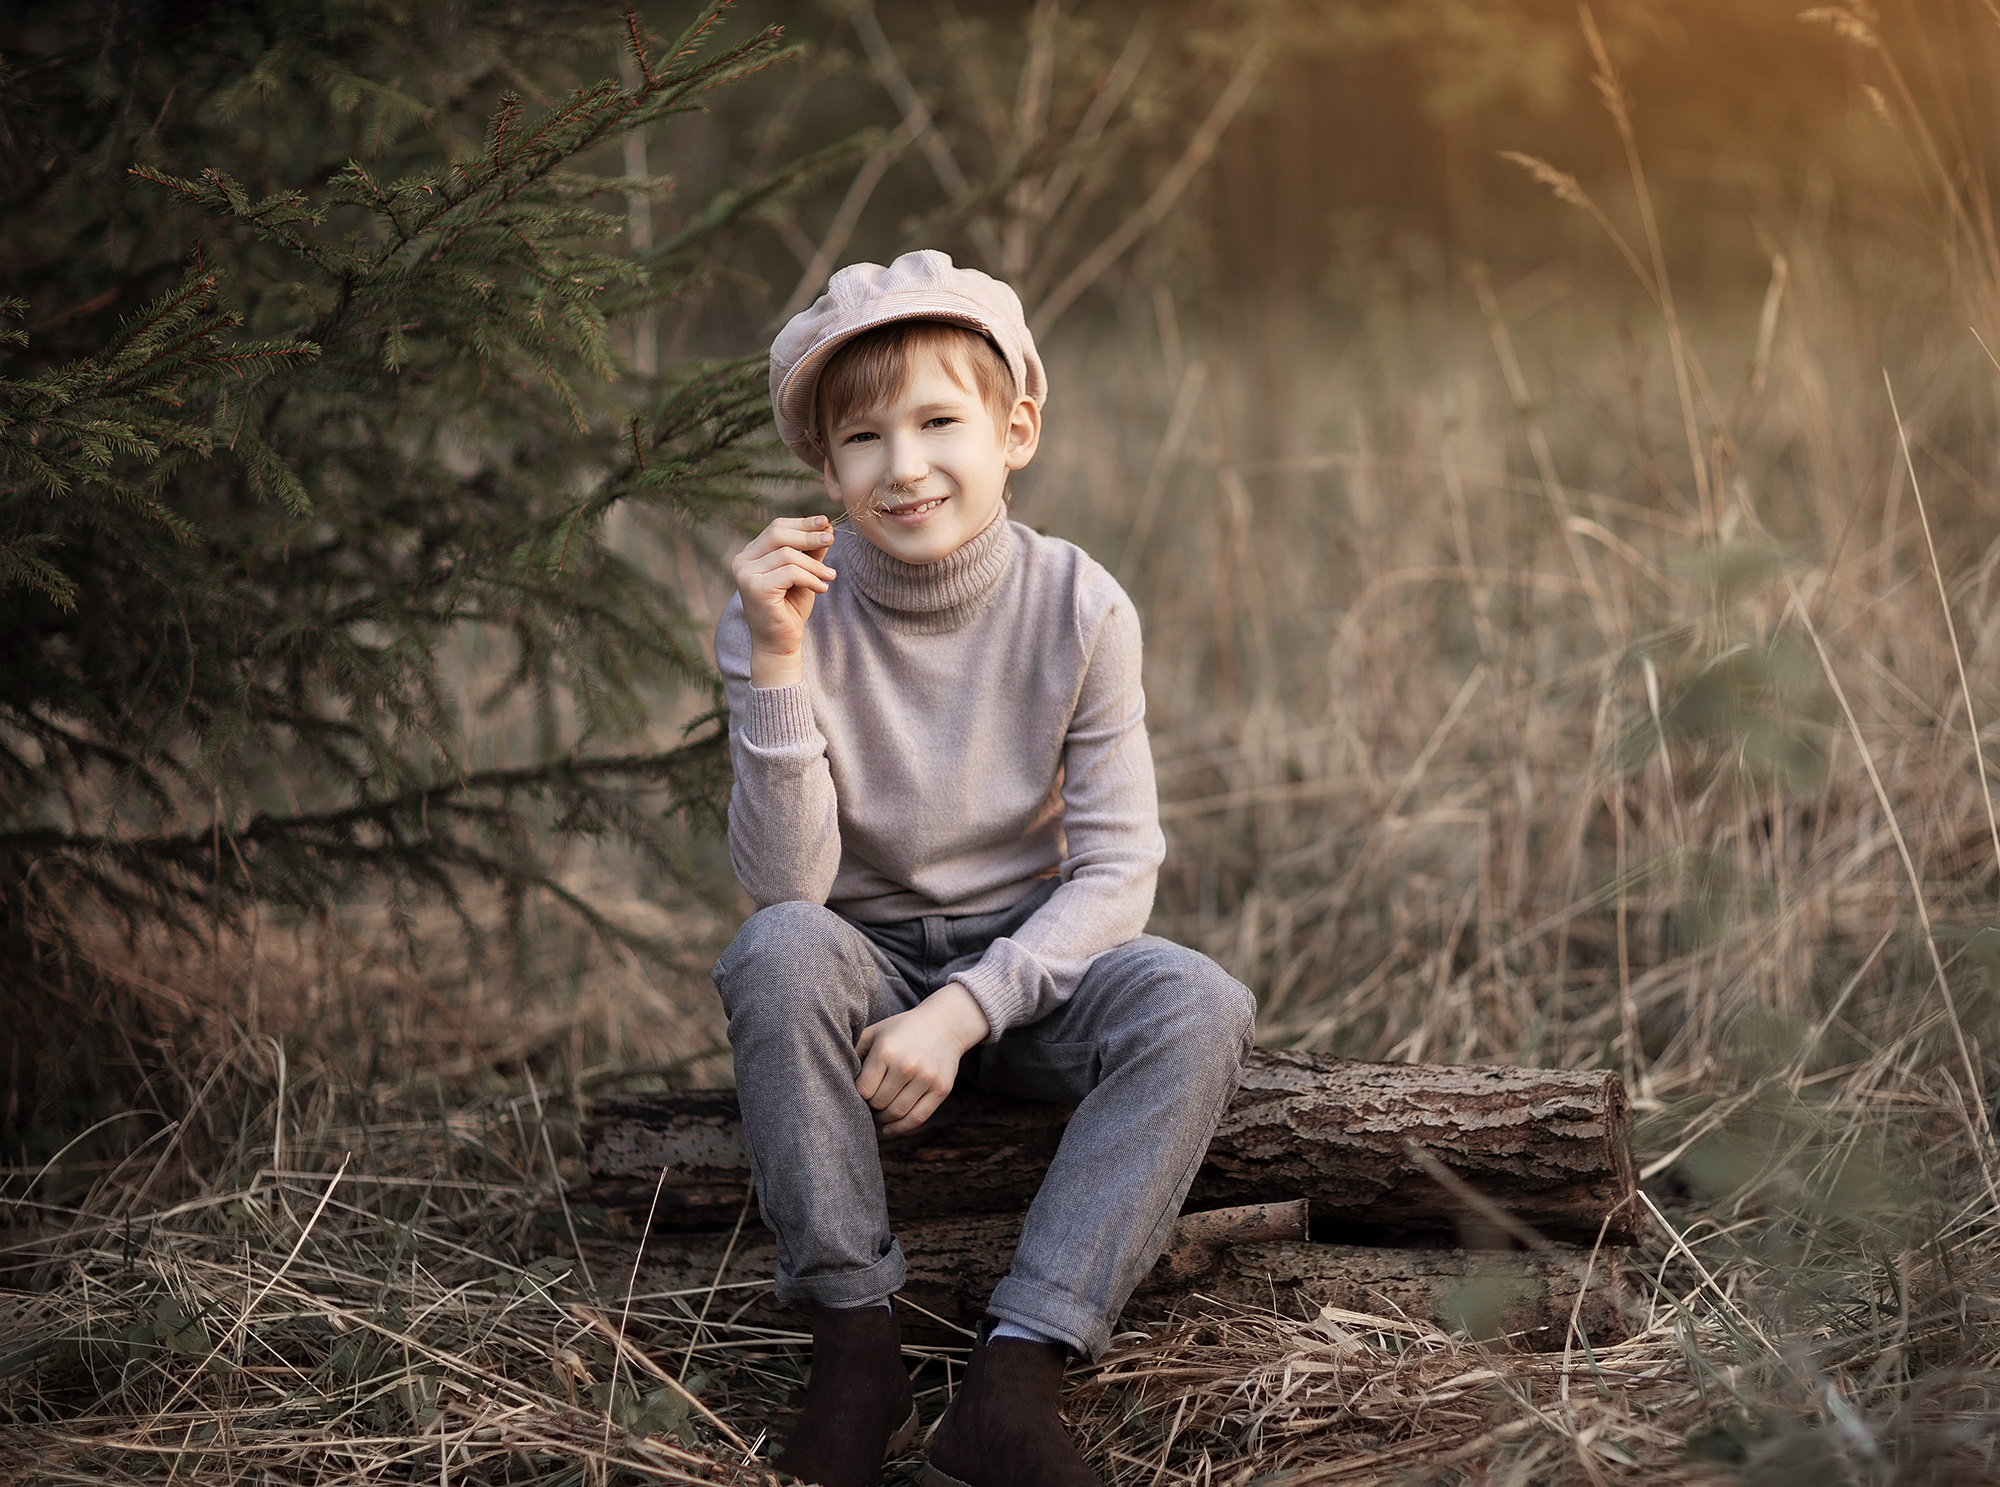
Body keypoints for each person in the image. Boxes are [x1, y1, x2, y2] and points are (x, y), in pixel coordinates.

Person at [714, 248, 1255, 1487]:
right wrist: (779, 664)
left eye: (938, 421)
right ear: (824, 469)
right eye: (860, 439)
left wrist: (965, 1011)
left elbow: (1118, 869)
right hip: (863, 957)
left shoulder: (1078, 603)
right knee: (777, 951)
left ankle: (1017, 1369)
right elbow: (787, 885)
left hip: (1029, 956)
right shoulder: (785, 609)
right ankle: (857, 1341)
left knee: (1196, 1000)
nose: (901, 465)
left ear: (1014, 429)